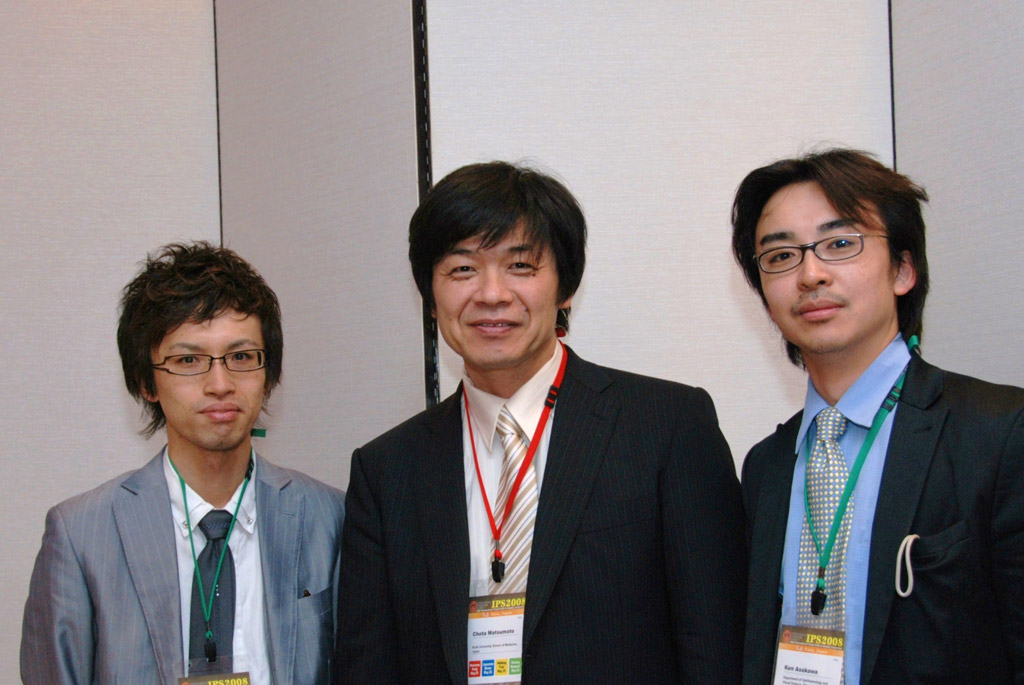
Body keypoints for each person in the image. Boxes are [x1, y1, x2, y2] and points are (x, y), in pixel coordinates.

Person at [336, 161, 747, 683]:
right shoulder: (386, 470)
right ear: (431, 298)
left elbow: (714, 648)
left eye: (521, 266)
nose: (491, 294)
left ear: (565, 287)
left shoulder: (668, 427)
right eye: (462, 269)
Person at [731, 149, 1024, 683]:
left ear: (903, 270)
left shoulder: (1000, 432)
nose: (810, 274)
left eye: (840, 244)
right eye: (781, 256)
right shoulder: (765, 467)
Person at [20, 242, 345, 684]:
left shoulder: (330, 518)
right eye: (188, 360)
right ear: (146, 382)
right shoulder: (80, 536)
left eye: (241, 357)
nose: (220, 383)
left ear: (268, 376)